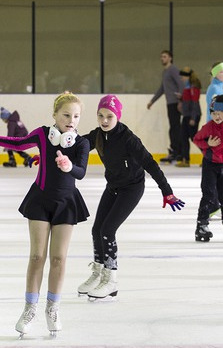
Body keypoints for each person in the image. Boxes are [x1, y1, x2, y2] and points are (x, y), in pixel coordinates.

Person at [0, 92, 89, 338]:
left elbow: (81, 171)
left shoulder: (81, 143)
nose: (71, 120)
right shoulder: (41, 134)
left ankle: (52, 308)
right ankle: (29, 309)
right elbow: (18, 143)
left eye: (76, 116)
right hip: (40, 200)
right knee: (37, 256)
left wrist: (69, 167)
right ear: (55, 115)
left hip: (66, 203)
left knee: (58, 259)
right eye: (66, 115)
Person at [78, 94, 184, 300]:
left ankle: (111, 280)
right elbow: (78, 146)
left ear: (117, 116)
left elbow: (150, 164)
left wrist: (167, 191)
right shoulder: (98, 134)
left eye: (109, 116)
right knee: (96, 229)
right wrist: (51, 154)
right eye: (100, 116)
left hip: (132, 188)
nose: (104, 121)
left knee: (108, 230)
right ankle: (99, 274)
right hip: (113, 186)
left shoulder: (128, 139)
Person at [192, 94, 223, 243]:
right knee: (208, 195)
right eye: (214, 113)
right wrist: (208, 144)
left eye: (219, 113)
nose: (217, 116)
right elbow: (196, 139)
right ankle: (202, 224)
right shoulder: (208, 128)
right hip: (210, 165)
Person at [146, 50, 183, 164]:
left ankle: (177, 152)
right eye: (161, 57)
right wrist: (152, 101)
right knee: (173, 127)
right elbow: (162, 88)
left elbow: (180, 83)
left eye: (165, 56)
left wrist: (181, 100)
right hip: (170, 103)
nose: (162, 58)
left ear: (170, 58)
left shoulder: (173, 70)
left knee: (175, 127)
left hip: (175, 103)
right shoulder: (165, 72)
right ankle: (175, 151)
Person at [177, 67, 202, 167]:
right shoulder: (187, 87)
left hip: (192, 115)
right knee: (183, 137)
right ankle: (186, 159)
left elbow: (195, 103)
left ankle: (208, 156)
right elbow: (188, 101)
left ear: (187, 77)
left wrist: (193, 118)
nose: (181, 78)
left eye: (182, 76)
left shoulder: (193, 87)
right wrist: (181, 99)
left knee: (194, 137)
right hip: (187, 115)